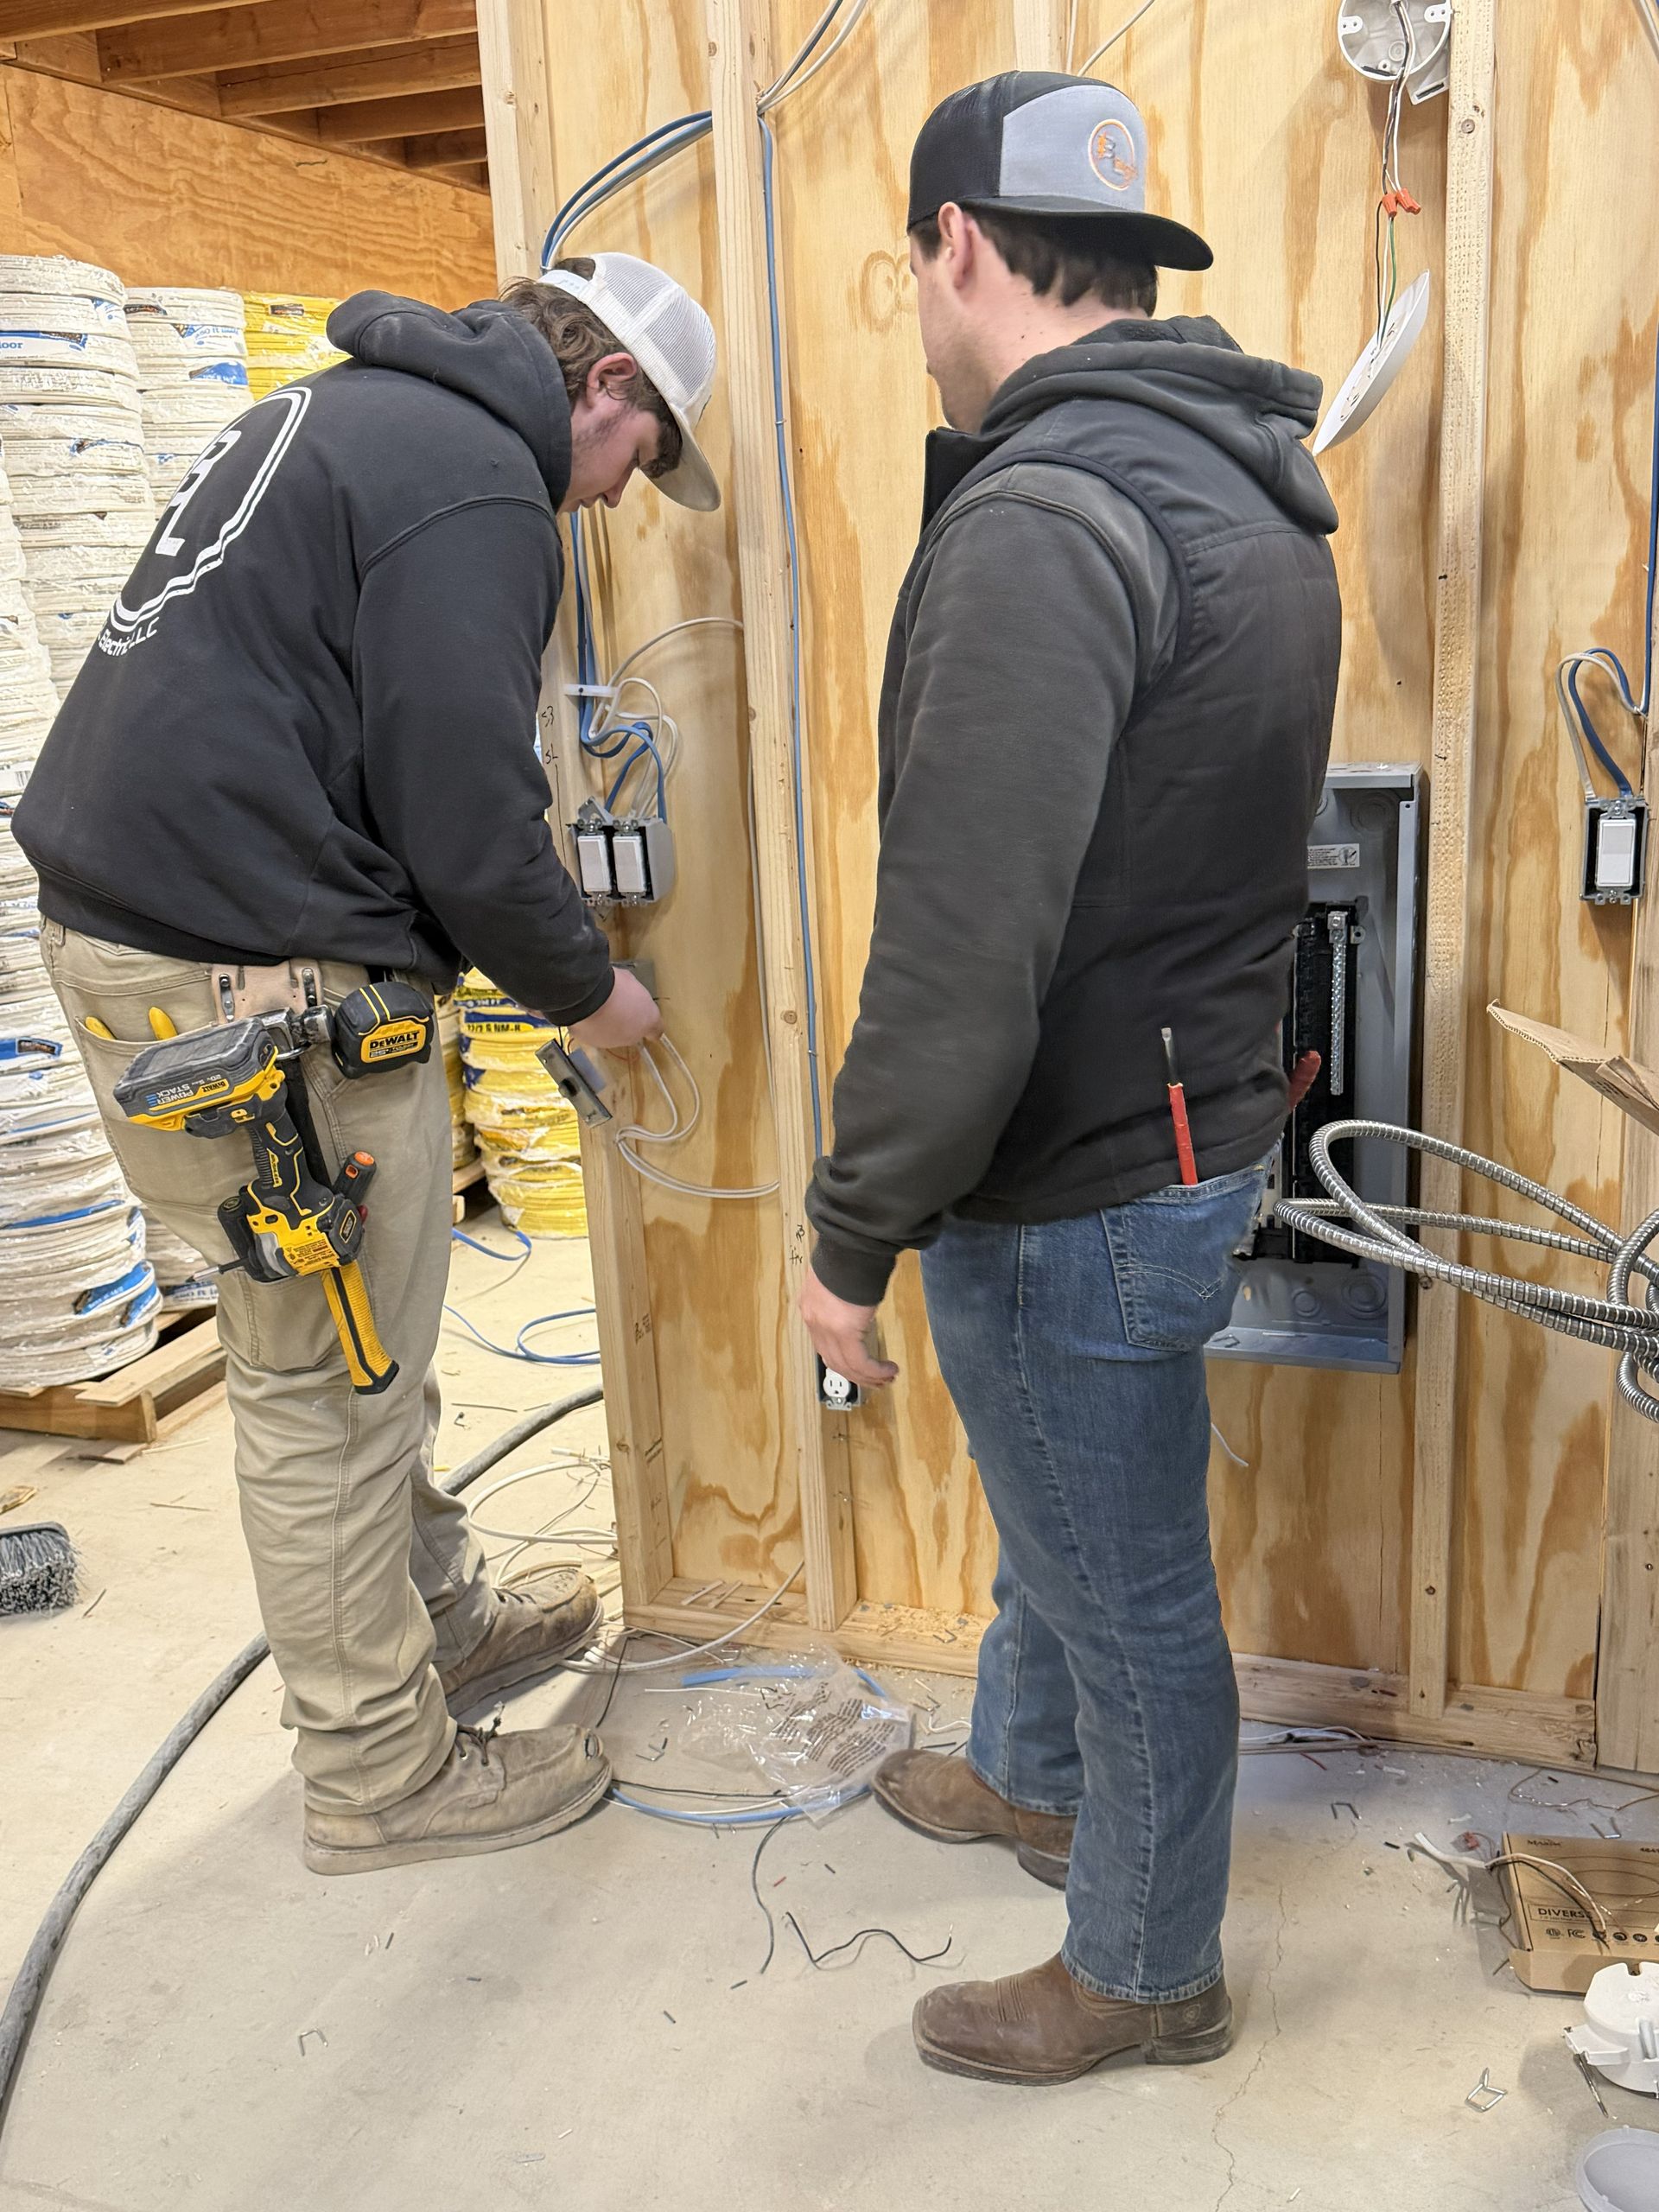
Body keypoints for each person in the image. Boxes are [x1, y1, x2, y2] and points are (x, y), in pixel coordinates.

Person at [15, 252, 721, 1876]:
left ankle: (437, 1628)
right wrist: (583, 988)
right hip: (245, 981)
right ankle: (378, 1772)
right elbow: (464, 814)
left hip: (164, 948)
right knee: (320, 1372)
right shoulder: (479, 484)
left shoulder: (349, 414)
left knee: (360, 1330)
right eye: (637, 461)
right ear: (603, 384)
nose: (617, 502)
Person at [798, 73, 1341, 2083]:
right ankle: (1035, 1780)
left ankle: (1143, 1962)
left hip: (1081, 1168)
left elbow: (960, 949)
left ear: (953, 242)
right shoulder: (1240, 483)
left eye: (912, 267)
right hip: (1186, 1122)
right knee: (1069, 1513)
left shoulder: (1043, 517)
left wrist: (849, 1235)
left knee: (1126, 1593)